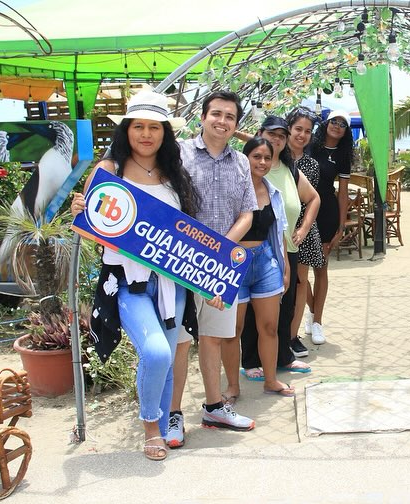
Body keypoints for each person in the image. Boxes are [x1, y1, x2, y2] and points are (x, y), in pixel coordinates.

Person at [72, 90, 201, 461]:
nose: (146, 134)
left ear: (165, 133)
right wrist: (79, 210)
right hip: (128, 283)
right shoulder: (108, 170)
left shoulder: (174, 174)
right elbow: (87, 227)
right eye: (139, 126)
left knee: (169, 356)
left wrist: (211, 281)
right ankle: (149, 426)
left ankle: (160, 431)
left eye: (154, 127)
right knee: (157, 353)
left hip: (172, 284)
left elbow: (187, 234)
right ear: (127, 130)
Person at [166, 91, 258, 448]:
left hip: (219, 267)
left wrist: (220, 249)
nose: (222, 121)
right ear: (202, 117)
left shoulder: (240, 163)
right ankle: (173, 415)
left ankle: (214, 406)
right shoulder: (179, 153)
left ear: (236, 125)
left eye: (230, 117)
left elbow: (247, 213)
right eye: (216, 114)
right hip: (180, 262)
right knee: (180, 342)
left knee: (214, 338)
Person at [237, 116, 318, 380]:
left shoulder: (288, 168)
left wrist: (304, 228)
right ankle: (250, 361)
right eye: (271, 134)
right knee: (251, 310)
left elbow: (314, 197)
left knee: (285, 306)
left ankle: (283, 357)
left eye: (282, 136)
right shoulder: (249, 165)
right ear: (259, 134)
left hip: (286, 249)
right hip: (254, 249)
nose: (277, 140)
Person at [234, 136, 295, 396]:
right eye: (256, 156)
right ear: (244, 158)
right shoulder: (233, 189)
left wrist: (285, 266)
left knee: (269, 326)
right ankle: (231, 387)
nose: (262, 162)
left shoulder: (273, 192)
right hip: (234, 263)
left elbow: (279, 232)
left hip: (265, 261)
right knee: (233, 330)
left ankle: (271, 380)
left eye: (267, 157)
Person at [305, 110, 353, 345]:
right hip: (301, 211)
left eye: (342, 124)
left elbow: (343, 192)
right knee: (298, 272)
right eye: (334, 121)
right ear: (326, 123)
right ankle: (312, 312)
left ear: (346, 131)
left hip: (326, 213)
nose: (337, 126)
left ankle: (317, 322)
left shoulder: (343, 155)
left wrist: (342, 225)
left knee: (320, 268)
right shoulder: (308, 145)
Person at [284, 108, 324, 359]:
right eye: (298, 129)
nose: (302, 135)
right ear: (288, 128)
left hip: (301, 230)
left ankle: (292, 335)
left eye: (307, 131)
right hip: (276, 228)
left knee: (300, 283)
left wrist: (304, 227)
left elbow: (310, 199)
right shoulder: (272, 156)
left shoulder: (310, 164)